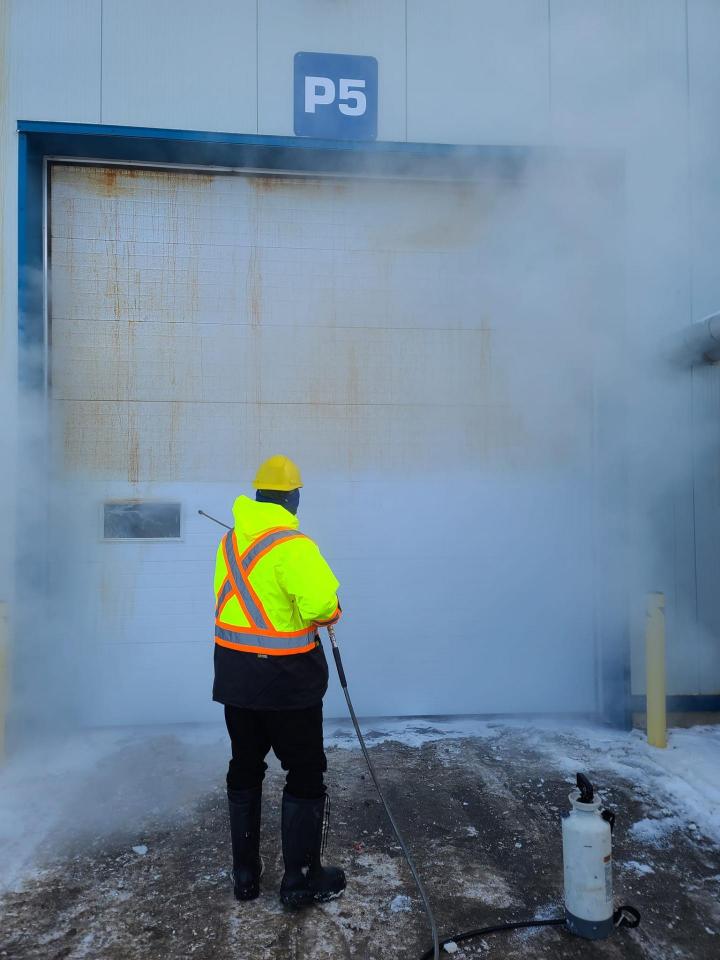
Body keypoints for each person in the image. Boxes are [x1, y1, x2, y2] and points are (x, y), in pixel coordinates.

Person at [212, 454, 345, 907]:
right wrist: (330, 610)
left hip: (236, 680)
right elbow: (322, 607)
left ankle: (244, 876)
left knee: (245, 767)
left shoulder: (230, 542)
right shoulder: (294, 545)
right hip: (288, 686)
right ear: (293, 497)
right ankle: (301, 879)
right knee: (305, 772)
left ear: (258, 495)